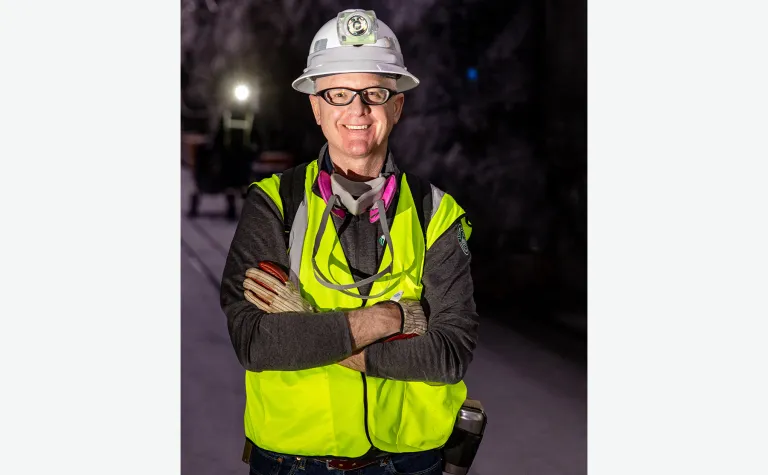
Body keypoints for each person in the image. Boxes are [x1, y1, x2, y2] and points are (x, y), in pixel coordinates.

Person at [220, 9, 479, 475]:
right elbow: (256, 342)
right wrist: (391, 318)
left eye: (374, 93)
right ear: (316, 108)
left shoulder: (436, 214)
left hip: (410, 463)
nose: (356, 110)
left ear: (396, 106)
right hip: (291, 462)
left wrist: (311, 332)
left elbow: (448, 355)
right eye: (338, 94)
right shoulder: (275, 204)